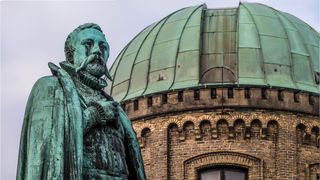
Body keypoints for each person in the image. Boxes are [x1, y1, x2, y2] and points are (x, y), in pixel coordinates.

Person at [17, 23, 146, 180]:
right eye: (88, 44)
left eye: (103, 46)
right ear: (71, 55)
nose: (97, 50)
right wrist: (94, 114)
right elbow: (47, 145)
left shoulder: (114, 106)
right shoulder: (50, 87)